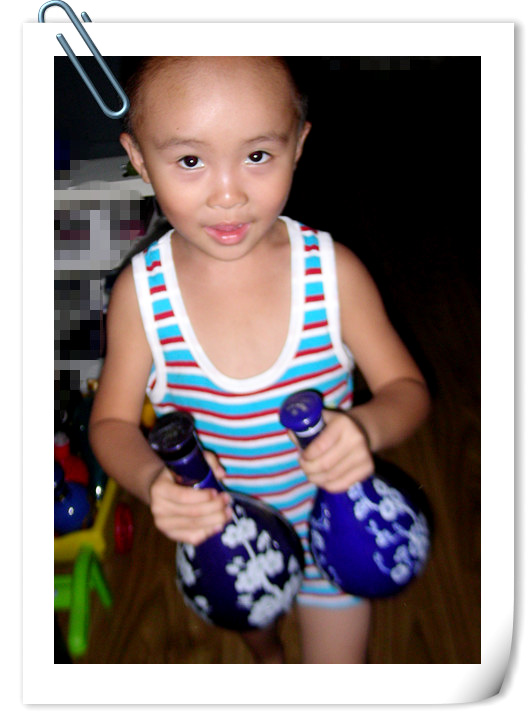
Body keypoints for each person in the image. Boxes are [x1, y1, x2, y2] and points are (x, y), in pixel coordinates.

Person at [89, 56, 430, 664]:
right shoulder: (141, 298)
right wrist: (153, 481)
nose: (229, 194)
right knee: (256, 629)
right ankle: (267, 654)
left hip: (336, 528)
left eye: (257, 155)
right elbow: (111, 424)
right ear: (139, 158)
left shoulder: (333, 274)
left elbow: (407, 390)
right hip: (229, 540)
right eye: (190, 161)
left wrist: (364, 429)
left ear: (298, 145)